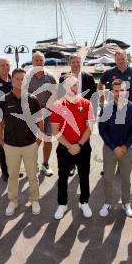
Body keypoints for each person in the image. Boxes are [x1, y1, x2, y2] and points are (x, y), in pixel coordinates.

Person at [0, 68, 43, 216]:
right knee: (13, 176)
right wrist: (1, 141)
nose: (21, 81)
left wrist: (38, 140)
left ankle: (34, 200)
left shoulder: (32, 99)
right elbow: (0, 123)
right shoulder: (4, 100)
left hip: (30, 145)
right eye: (17, 79)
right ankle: (13, 201)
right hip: (11, 146)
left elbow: (40, 122)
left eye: (23, 79)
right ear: (12, 80)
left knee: (32, 175)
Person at [51, 73, 95, 220]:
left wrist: (79, 144)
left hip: (83, 147)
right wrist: (70, 146)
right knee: (62, 177)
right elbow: (55, 131)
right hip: (65, 148)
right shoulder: (57, 106)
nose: (73, 87)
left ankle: (84, 202)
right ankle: (62, 204)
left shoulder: (87, 104)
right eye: (70, 85)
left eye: (75, 84)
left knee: (84, 176)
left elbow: (90, 128)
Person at [98, 79, 132, 218]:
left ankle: (126, 203)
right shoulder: (106, 108)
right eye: (116, 91)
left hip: (126, 150)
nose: (119, 93)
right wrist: (114, 147)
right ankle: (107, 203)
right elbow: (102, 130)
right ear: (111, 92)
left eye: (121, 90)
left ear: (126, 91)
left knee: (126, 179)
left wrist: (125, 146)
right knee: (108, 179)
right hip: (110, 150)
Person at [59, 53, 97, 177]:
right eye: (73, 62)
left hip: (85, 115)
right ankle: (71, 165)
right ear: (70, 63)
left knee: (85, 140)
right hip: (68, 115)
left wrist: (93, 114)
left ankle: (83, 164)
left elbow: (94, 97)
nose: (76, 64)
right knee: (69, 140)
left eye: (78, 62)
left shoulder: (89, 77)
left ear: (81, 63)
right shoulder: (63, 78)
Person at [0, 56, 22, 182]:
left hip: (16, 119)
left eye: (7, 65)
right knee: (4, 145)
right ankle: (5, 173)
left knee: (15, 145)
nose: (5, 67)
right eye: (2, 65)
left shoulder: (12, 79)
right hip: (2, 120)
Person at [27, 51, 57, 177]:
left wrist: (46, 108)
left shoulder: (50, 77)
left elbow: (55, 95)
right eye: (36, 60)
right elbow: (23, 96)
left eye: (41, 60)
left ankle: (45, 164)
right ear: (32, 62)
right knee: (32, 141)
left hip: (48, 112)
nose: (39, 62)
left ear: (44, 61)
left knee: (47, 139)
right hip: (32, 113)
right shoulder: (27, 77)